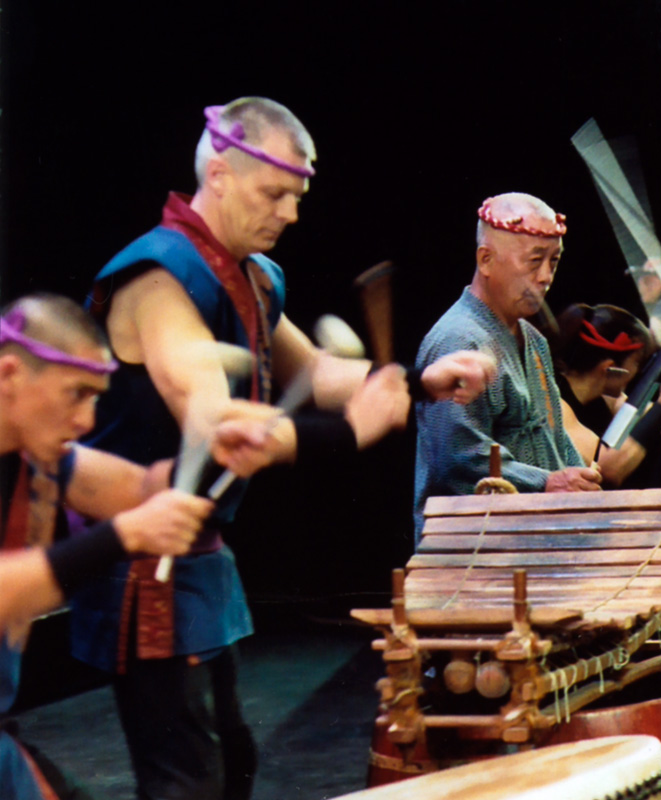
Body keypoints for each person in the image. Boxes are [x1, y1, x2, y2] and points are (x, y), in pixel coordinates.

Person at [78, 97, 493, 800]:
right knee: (186, 777)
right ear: (219, 175)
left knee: (230, 759)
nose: (291, 213)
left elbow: (313, 372)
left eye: (297, 196)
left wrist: (418, 382)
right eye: (275, 194)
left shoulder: (255, 274)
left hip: (198, 549)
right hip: (142, 560)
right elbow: (217, 425)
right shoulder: (158, 275)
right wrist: (354, 431)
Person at [0, 294, 213, 800]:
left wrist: (217, 453)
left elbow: (142, 490)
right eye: (76, 394)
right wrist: (126, 535)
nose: (88, 420)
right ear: (9, 375)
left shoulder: (38, 458)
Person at [414, 193, 603, 534]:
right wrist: (549, 483)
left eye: (554, 261)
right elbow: (459, 461)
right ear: (485, 260)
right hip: (472, 547)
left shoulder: (534, 341)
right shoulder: (457, 340)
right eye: (534, 261)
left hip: (533, 536)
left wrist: (582, 486)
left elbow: (554, 438)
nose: (546, 276)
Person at [553, 303, 661, 488]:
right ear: (608, 367)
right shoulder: (554, 404)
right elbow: (609, 468)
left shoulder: (609, 398)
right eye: (636, 361)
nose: (637, 370)